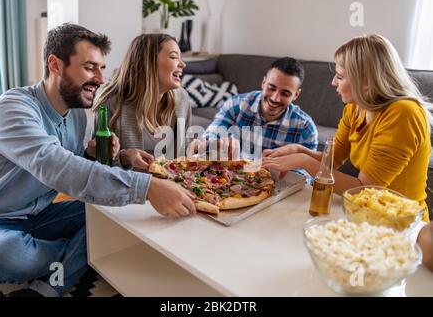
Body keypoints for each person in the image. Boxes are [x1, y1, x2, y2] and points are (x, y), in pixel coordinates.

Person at [0, 24, 195, 297]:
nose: (100, 78)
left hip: (41, 215)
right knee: (11, 256)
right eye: (90, 67)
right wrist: (147, 187)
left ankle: (60, 276)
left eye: (102, 68)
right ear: (55, 65)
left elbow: (77, 164)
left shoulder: (78, 115)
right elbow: (57, 166)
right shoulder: (14, 109)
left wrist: (110, 155)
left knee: (114, 213)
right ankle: (90, 256)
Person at [263, 34, 432, 222]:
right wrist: (296, 150)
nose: (333, 82)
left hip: (402, 224)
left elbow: (365, 188)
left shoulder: (403, 113)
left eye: (340, 76)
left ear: (366, 81)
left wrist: (304, 161)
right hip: (365, 214)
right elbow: (333, 160)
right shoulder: (355, 107)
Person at [189, 57, 318, 171]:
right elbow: (207, 138)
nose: (275, 98)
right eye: (271, 88)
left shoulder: (306, 129)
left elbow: (305, 177)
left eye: (285, 93)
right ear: (263, 83)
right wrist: (217, 142)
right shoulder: (235, 105)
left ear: (296, 94)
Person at [93, 33, 192, 171]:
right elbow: (97, 164)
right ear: (148, 62)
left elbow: (185, 151)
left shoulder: (182, 98)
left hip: (173, 186)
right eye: (174, 57)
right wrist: (125, 157)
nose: (182, 64)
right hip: (129, 189)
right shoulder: (110, 103)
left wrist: (206, 147)